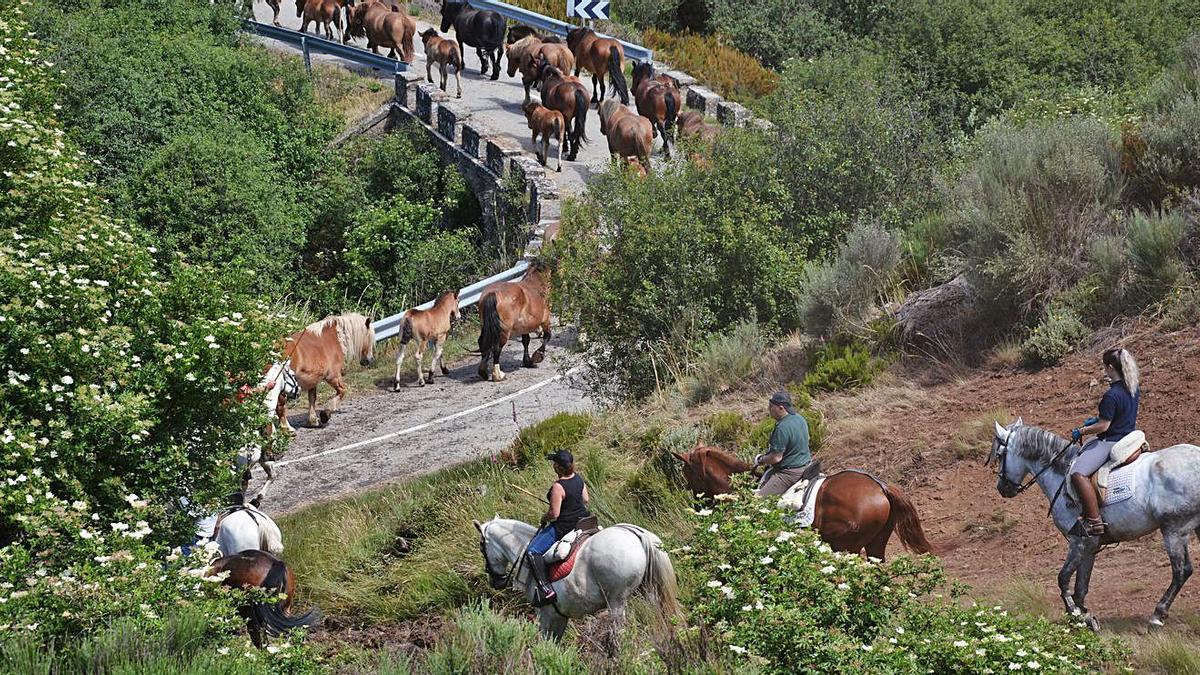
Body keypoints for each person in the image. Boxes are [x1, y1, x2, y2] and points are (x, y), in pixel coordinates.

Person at [1067, 347, 1140, 536]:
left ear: (1110, 367)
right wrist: (1097, 420)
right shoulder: (1132, 387)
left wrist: (1082, 430)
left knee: (1077, 474)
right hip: (1129, 437)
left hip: (1112, 441)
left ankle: (1094, 521)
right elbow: (1119, 415)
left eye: (1104, 367)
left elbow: (1104, 426)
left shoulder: (1111, 395)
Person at [524, 449, 591, 607]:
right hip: (583, 520)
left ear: (559, 467)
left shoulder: (558, 487)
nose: (553, 464)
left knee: (532, 552)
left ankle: (547, 590)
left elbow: (554, 514)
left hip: (564, 526)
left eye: (554, 463)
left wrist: (543, 517)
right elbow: (586, 500)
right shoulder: (578, 478)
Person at [753, 391, 813, 497]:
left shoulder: (782, 427)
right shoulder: (800, 418)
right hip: (807, 465)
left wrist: (760, 460)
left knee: (757, 500)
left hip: (789, 473)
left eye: (771, 406)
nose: (769, 409)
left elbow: (776, 458)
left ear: (781, 408)